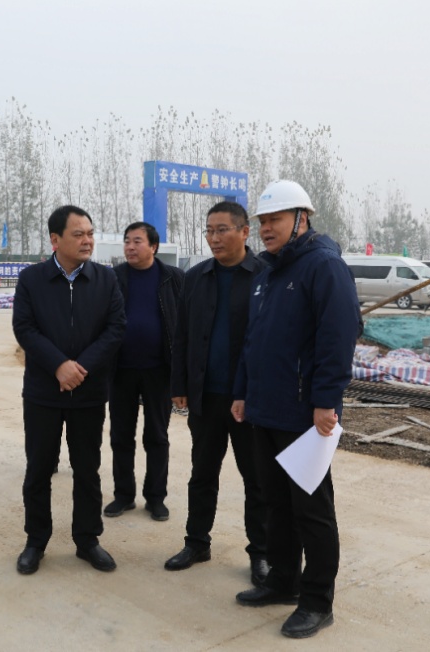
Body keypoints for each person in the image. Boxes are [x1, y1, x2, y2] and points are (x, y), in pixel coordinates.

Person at [231, 181, 362, 639]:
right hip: (265, 410)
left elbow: (337, 339)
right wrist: (243, 391)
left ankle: (317, 601)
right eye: (263, 221)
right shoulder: (266, 273)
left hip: (306, 415)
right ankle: (283, 581)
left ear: (301, 219)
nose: (266, 228)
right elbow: (253, 341)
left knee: (311, 512)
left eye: (276, 219)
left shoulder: (324, 267)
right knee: (276, 504)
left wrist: (326, 401)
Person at [12, 205, 126, 575]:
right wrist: (58, 365)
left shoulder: (106, 279)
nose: (87, 240)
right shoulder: (32, 279)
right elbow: (25, 328)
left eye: (90, 233)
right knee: (39, 470)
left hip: (88, 394)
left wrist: (81, 368)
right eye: (78, 234)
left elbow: (116, 328)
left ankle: (88, 539)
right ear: (55, 239)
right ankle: (36, 540)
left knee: (87, 470)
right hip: (43, 393)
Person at [165, 201, 269, 587]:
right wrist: (179, 385)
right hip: (206, 397)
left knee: (256, 479)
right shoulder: (196, 277)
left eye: (222, 230)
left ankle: (261, 553)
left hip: (249, 401)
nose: (214, 238)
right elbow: (182, 336)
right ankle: (196, 543)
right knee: (202, 474)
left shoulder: (266, 276)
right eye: (209, 231)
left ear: (244, 232)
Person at [105, 222, 183, 522]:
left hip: (159, 371)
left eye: (137, 241)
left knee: (157, 437)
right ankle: (123, 495)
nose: (130, 246)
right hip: (120, 370)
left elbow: (184, 323)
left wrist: (182, 373)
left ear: (153, 246)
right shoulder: (113, 278)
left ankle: (155, 498)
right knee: (121, 436)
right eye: (127, 241)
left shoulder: (173, 278)